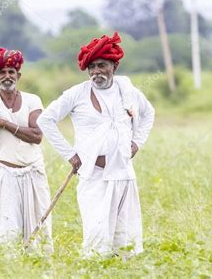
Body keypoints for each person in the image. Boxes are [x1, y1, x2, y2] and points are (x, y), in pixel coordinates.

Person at [37, 32, 155, 257]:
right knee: (96, 240)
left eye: (102, 65)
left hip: (124, 175)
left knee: (127, 242)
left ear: (115, 66)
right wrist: (70, 155)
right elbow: (45, 119)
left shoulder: (126, 89)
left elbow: (149, 113)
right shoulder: (77, 94)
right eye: (91, 67)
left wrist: (137, 142)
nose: (96, 72)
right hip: (94, 177)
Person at [0, 47, 52, 253]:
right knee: (7, 225)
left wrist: (4, 123)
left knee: (39, 222)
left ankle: (38, 262)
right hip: (6, 170)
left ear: (18, 75)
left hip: (33, 169)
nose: (7, 76)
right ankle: (9, 264)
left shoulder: (32, 100)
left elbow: (36, 136)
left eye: (11, 72)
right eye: (2, 72)